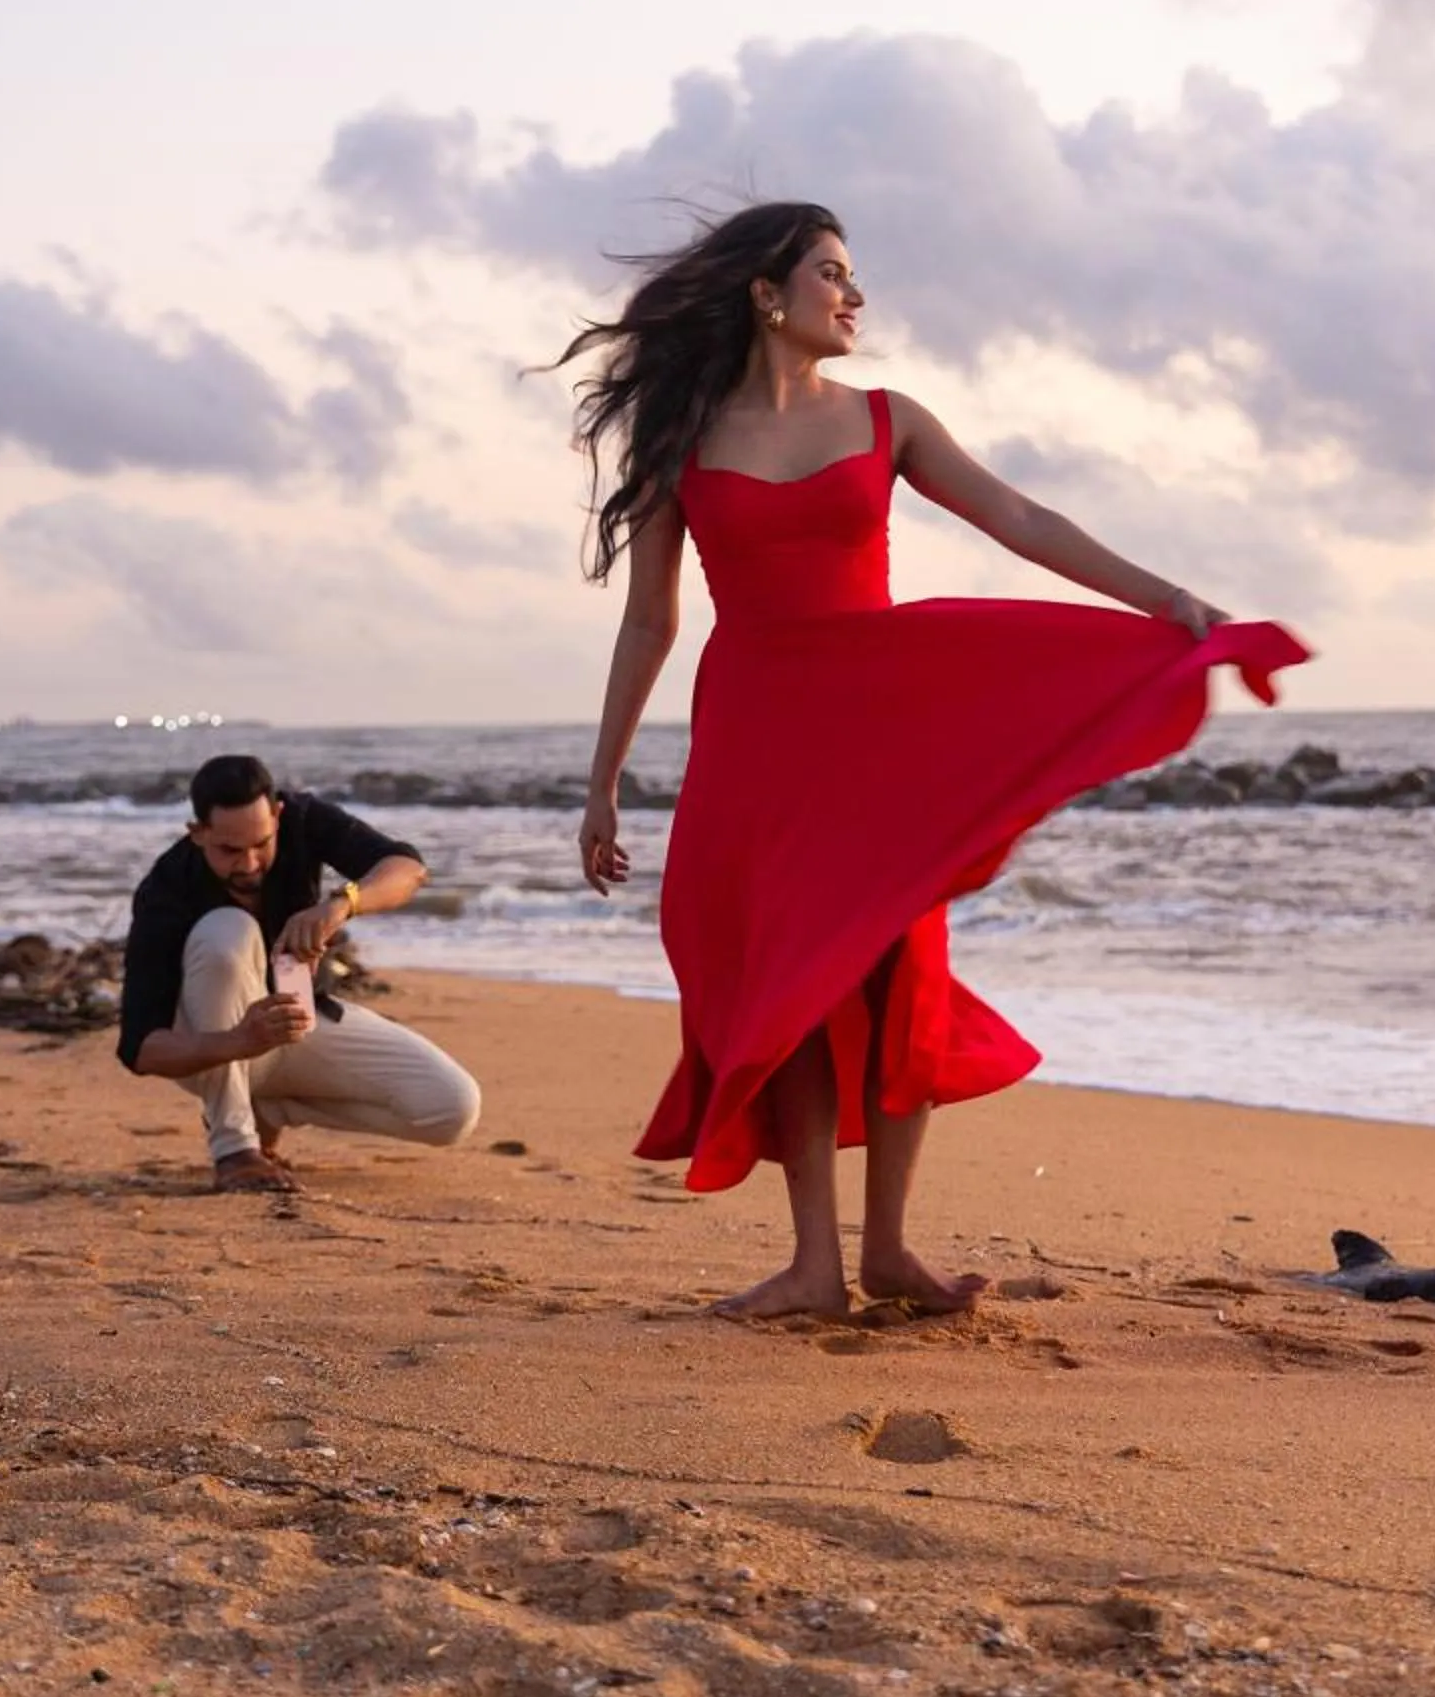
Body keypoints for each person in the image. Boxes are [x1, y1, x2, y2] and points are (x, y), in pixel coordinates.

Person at [569, 202, 1307, 1317]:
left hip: (881, 734)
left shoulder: (885, 418)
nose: (853, 295)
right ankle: (816, 1263)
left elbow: (1017, 515)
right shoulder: (683, 440)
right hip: (758, 737)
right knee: (790, 984)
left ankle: (887, 1251)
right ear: (768, 294)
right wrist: (603, 779)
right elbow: (650, 622)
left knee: (897, 970)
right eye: (831, 273)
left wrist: (1166, 601)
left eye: (852, 275)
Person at [119, 755, 481, 1193]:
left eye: (261, 844)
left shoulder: (304, 821)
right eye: (230, 851)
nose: (250, 864)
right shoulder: (167, 887)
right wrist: (238, 1041)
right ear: (198, 833)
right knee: (227, 930)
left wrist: (341, 905)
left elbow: (406, 868)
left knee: (451, 1108)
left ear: (277, 815)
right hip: (214, 1045)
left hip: (297, 1024)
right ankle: (235, 1149)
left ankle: (270, 1111)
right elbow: (142, 1049)